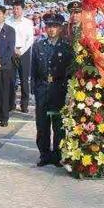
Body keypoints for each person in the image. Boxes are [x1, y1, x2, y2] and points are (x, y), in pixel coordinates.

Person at [31, 13, 73, 167]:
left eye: (55, 26)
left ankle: (57, 155)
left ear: (60, 28)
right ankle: (44, 154)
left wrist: (68, 91)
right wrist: (33, 90)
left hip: (58, 89)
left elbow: (70, 72)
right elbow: (33, 70)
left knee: (58, 124)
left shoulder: (66, 48)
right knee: (42, 124)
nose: (51, 29)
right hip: (42, 88)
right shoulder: (39, 45)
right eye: (49, 26)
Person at [7, 1, 34, 113]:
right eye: (14, 8)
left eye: (17, 8)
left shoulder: (28, 22)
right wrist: (13, 49)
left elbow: (30, 39)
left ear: (22, 9)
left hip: (24, 52)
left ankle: (24, 104)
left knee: (24, 80)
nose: (15, 11)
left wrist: (21, 51)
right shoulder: (8, 21)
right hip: (11, 52)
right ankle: (11, 103)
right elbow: (7, 38)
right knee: (11, 79)